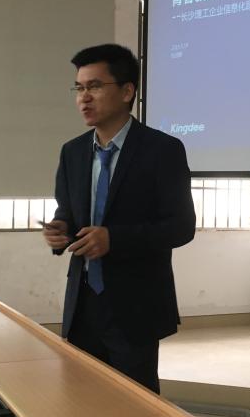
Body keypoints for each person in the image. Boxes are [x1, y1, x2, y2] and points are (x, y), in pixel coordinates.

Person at [43, 43, 196, 393]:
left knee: (135, 408)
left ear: (127, 92)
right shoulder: (73, 152)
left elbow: (181, 226)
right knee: (82, 402)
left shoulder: (162, 150)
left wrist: (114, 239)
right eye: (79, 88)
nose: (84, 98)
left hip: (135, 305)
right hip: (83, 304)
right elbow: (67, 212)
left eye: (95, 86)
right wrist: (60, 230)